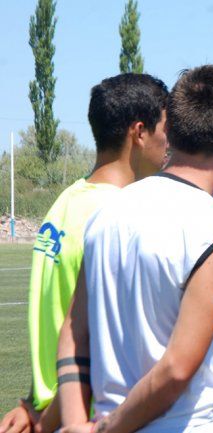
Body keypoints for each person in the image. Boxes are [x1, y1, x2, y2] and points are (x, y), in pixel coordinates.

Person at [57, 65, 213, 432]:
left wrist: (73, 423)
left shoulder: (107, 212)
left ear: (171, 129)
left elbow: (72, 331)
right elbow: (177, 368)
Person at [0, 73, 168, 433]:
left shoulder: (68, 201)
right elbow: (84, 338)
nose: (170, 143)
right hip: (86, 418)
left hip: (55, 410)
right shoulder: (116, 218)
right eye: (165, 128)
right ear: (139, 132)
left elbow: (55, 317)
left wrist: (34, 404)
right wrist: (48, 420)